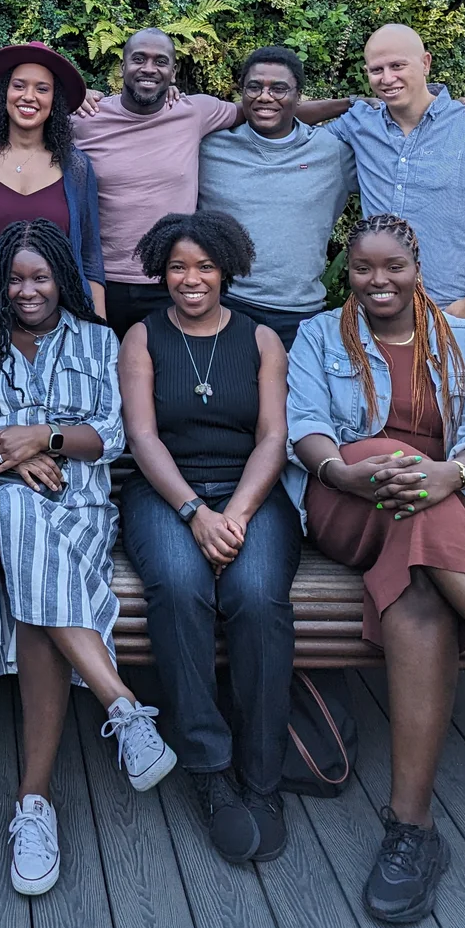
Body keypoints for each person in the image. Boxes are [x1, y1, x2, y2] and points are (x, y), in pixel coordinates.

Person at [287, 213, 465, 925]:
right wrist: (346, 471)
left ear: (417, 265)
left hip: (440, 513)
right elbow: (306, 425)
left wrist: (450, 475)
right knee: (397, 465)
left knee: (420, 598)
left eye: (392, 266)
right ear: (346, 271)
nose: (378, 280)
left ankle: (413, 829)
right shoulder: (320, 335)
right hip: (347, 499)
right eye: (363, 268)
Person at [0, 220, 175, 898]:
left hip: (80, 515)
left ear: (62, 278)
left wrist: (39, 434)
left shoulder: (100, 341)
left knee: (35, 594)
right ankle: (123, 708)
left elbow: (111, 430)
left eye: (40, 276)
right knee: (13, 513)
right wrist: (10, 453)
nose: (27, 289)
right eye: (14, 277)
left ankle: (33, 802)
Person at [118, 211, 300, 864]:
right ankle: (209, 766)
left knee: (254, 594)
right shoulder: (141, 336)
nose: (190, 279)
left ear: (226, 268)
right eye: (177, 267)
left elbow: (274, 437)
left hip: (251, 492)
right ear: (161, 271)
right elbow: (141, 436)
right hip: (166, 491)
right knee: (180, 582)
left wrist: (240, 512)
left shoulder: (261, 340)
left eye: (203, 266)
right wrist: (195, 509)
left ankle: (262, 772)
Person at [72, 28, 352, 338]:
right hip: (100, 280)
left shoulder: (196, 112)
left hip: (171, 282)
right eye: (138, 59)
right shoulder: (85, 118)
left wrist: (351, 103)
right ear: (122, 66)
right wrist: (74, 95)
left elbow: (263, 112)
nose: (149, 68)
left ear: (173, 72)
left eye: (160, 61)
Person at [324, 23, 465, 318]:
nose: (387, 78)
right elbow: (290, 131)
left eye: (397, 65)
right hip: (378, 311)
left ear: (425, 63)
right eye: (376, 70)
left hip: (451, 311)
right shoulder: (359, 124)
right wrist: (348, 102)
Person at [197, 46, 358, 349]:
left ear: (299, 96)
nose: (265, 96)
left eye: (279, 88)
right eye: (254, 87)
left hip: (299, 314)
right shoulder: (208, 147)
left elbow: (400, 164)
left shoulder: (333, 152)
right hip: (223, 306)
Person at [0, 43, 105, 327]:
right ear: (4, 92)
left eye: (42, 89)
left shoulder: (76, 168)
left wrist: (101, 339)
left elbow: (90, 259)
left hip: (61, 337)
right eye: (19, 85)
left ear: (55, 100)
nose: (29, 96)